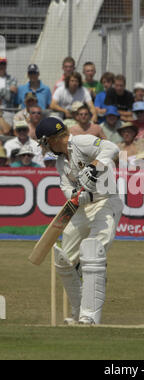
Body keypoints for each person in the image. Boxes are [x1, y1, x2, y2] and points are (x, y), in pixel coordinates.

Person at [36, 117, 123, 325]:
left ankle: (89, 317)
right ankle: (77, 313)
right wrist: (76, 195)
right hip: (82, 209)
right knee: (63, 260)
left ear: (51, 140)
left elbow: (111, 148)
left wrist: (93, 168)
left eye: (44, 144)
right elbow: (66, 187)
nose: (45, 149)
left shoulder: (81, 142)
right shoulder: (60, 162)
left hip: (106, 203)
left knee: (92, 254)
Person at [0, 57, 18, 127]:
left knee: (7, 133)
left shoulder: (12, 79)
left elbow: (9, 97)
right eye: (0, 64)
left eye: (3, 64)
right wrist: (8, 89)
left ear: (6, 65)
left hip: (8, 111)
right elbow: (8, 93)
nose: (1, 66)